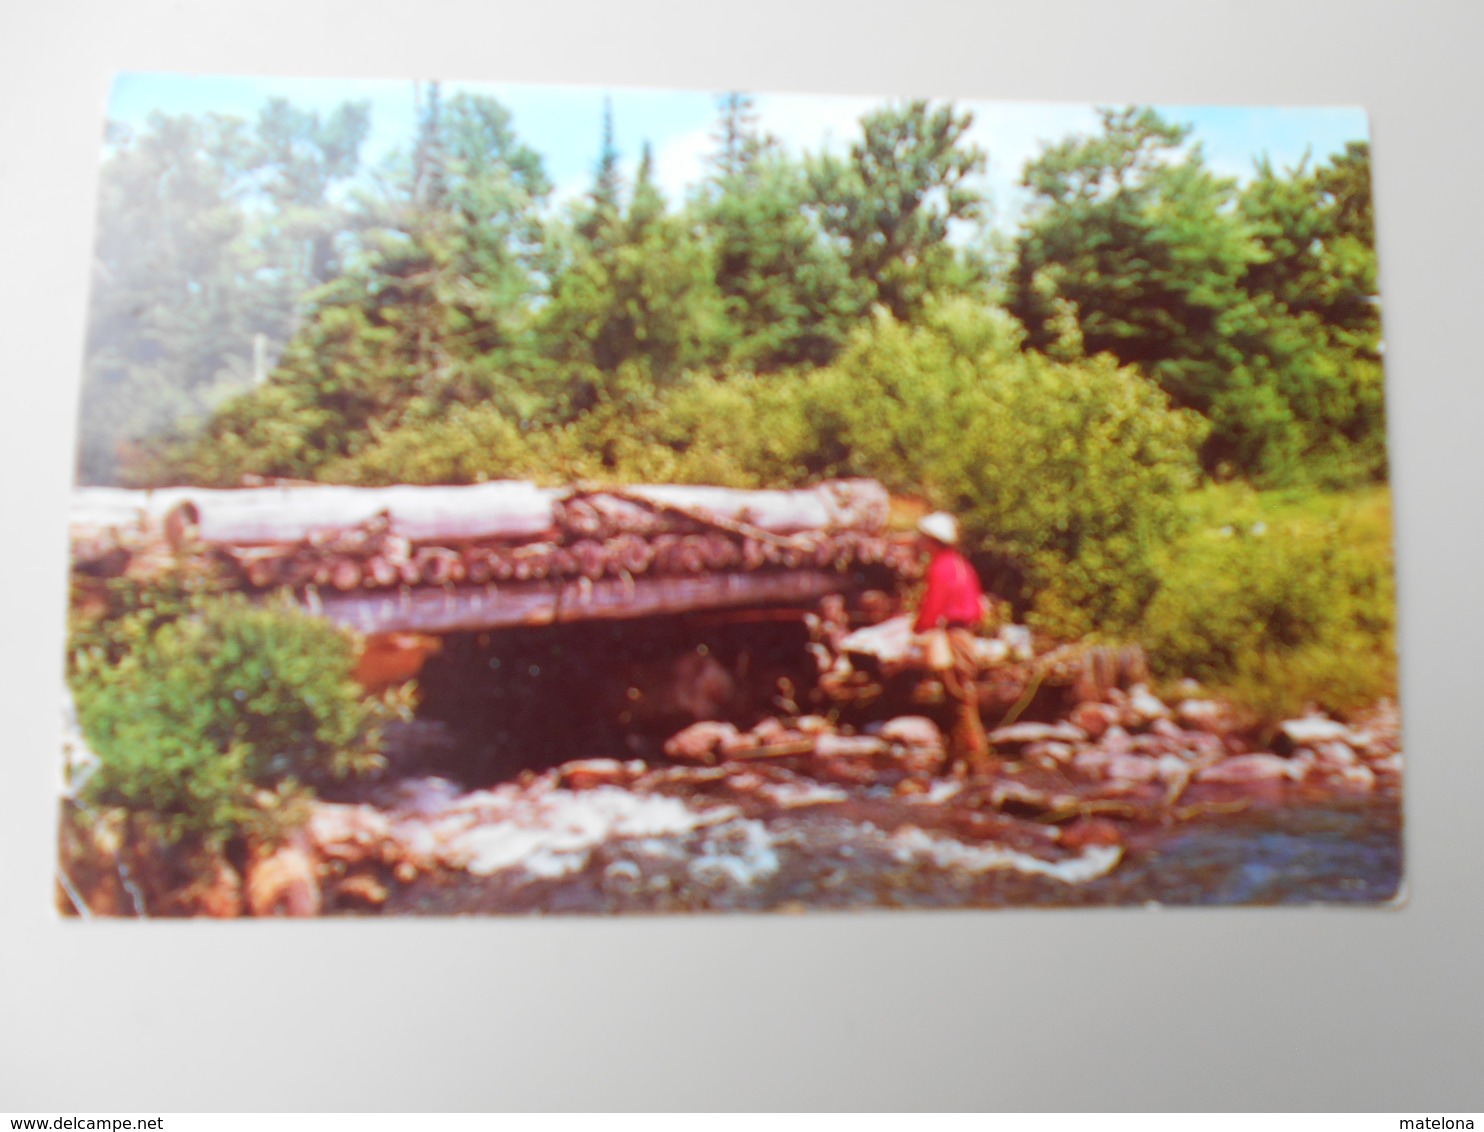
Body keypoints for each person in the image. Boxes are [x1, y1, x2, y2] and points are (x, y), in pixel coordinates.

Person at [912, 512, 993, 777]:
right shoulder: (961, 565)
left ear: (933, 541)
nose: (921, 543)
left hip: (952, 637)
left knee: (959, 700)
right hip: (964, 635)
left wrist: (919, 628)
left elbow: (933, 605)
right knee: (955, 698)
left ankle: (978, 765)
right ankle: (954, 763)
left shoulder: (941, 567)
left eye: (924, 539)